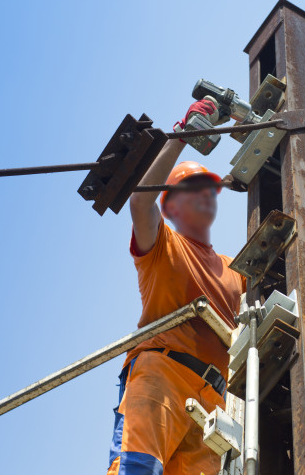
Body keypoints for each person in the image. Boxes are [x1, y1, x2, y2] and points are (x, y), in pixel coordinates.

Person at [107, 99, 245, 475]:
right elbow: (140, 201)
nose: (203, 196)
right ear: (171, 206)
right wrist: (184, 134)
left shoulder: (238, 270)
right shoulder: (160, 246)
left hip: (215, 404)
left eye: (208, 190)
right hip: (161, 375)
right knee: (137, 469)